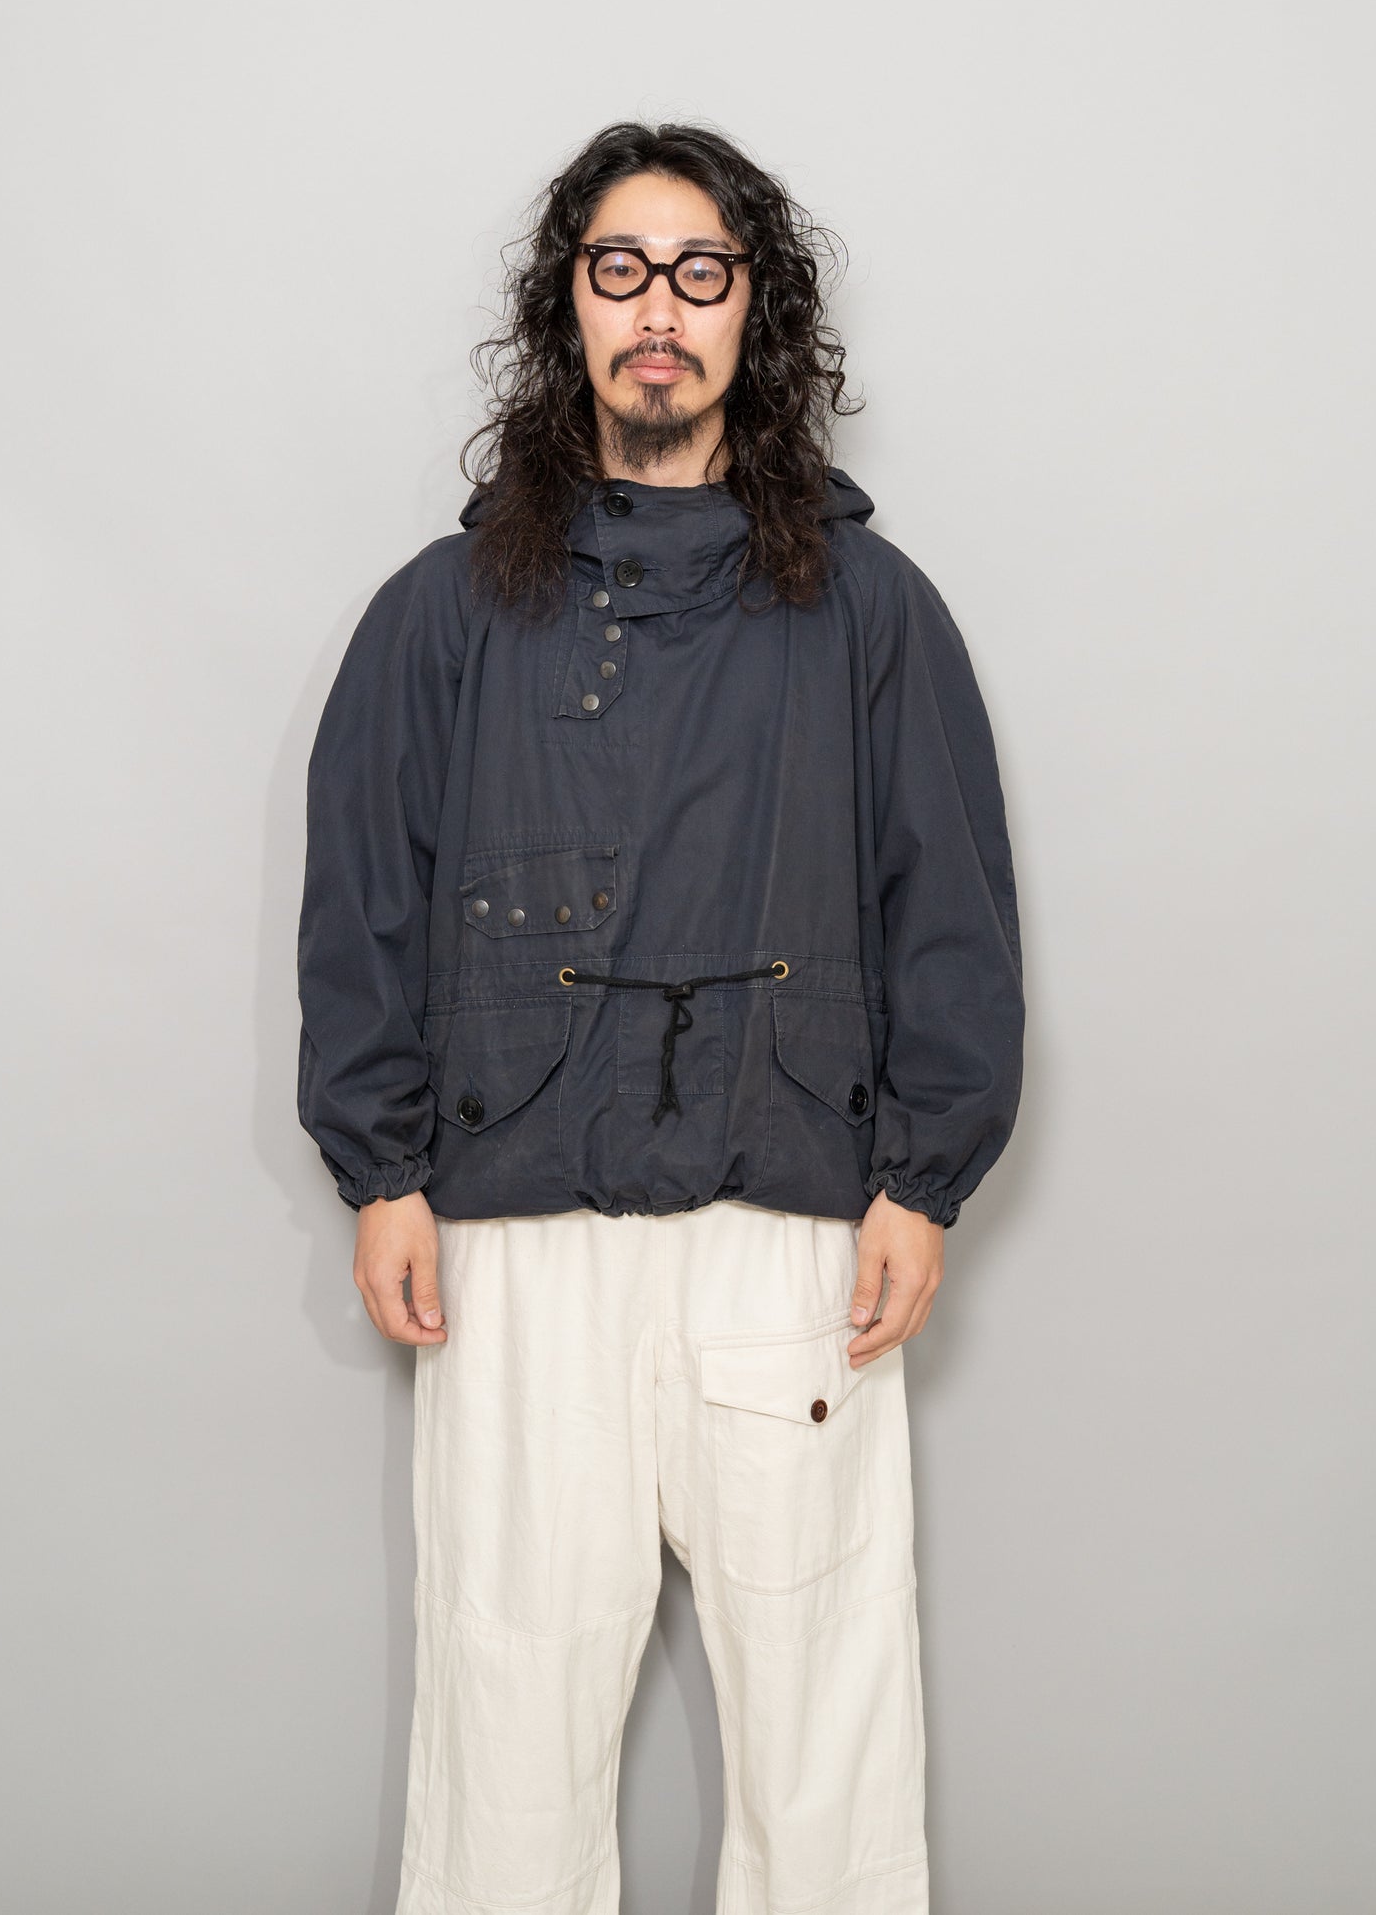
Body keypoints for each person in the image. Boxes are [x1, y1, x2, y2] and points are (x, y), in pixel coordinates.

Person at [296, 120, 1025, 1915]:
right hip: (517, 1231)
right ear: (570, 301)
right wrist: (381, 1172)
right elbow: (362, 900)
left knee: (824, 1708)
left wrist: (924, 1179)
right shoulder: (443, 614)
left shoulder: (869, 609)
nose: (659, 310)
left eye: (701, 272)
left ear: (752, 310)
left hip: (795, 1235)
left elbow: (949, 899)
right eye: (621, 268)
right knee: (508, 1697)